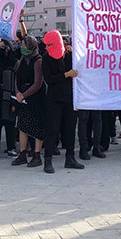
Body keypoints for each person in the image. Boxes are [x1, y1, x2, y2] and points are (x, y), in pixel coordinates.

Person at [41, 30, 84, 173]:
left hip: (70, 98)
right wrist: (66, 74)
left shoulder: (71, 56)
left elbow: (80, 74)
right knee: (52, 130)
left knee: (70, 130)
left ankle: (70, 158)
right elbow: (49, 79)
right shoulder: (46, 58)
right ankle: (48, 160)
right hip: (53, 99)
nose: (47, 47)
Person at [11, 36, 46, 167]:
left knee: (37, 126)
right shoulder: (22, 59)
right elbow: (16, 78)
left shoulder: (38, 60)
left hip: (35, 97)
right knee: (22, 126)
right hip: (22, 97)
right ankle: (23, 153)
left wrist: (24, 95)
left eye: (24, 45)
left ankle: (37, 155)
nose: (22, 47)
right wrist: (17, 93)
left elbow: (38, 83)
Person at [0, 39, 19, 159]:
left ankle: (11, 148)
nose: (1, 49)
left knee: (10, 122)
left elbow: (17, 80)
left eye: (4, 46)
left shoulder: (14, 62)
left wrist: (15, 100)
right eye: (0, 46)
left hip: (10, 94)